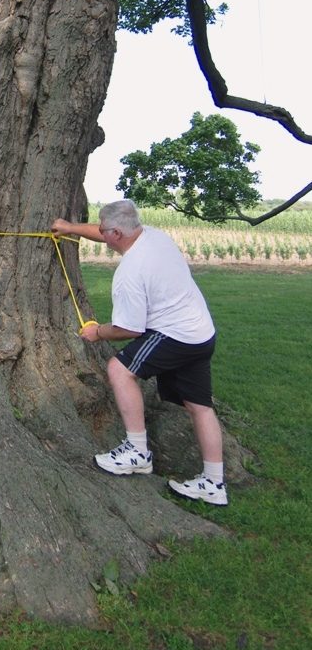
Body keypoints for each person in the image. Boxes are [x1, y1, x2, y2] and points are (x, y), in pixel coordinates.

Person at [51, 200, 228, 506]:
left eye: (106, 232)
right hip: (201, 333)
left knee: (120, 370)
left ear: (116, 234)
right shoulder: (153, 236)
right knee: (200, 406)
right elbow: (104, 229)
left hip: (174, 335)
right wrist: (69, 228)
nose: (102, 236)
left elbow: (129, 329)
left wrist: (97, 331)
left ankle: (136, 451)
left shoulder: (130, 272)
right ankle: (214, 483)